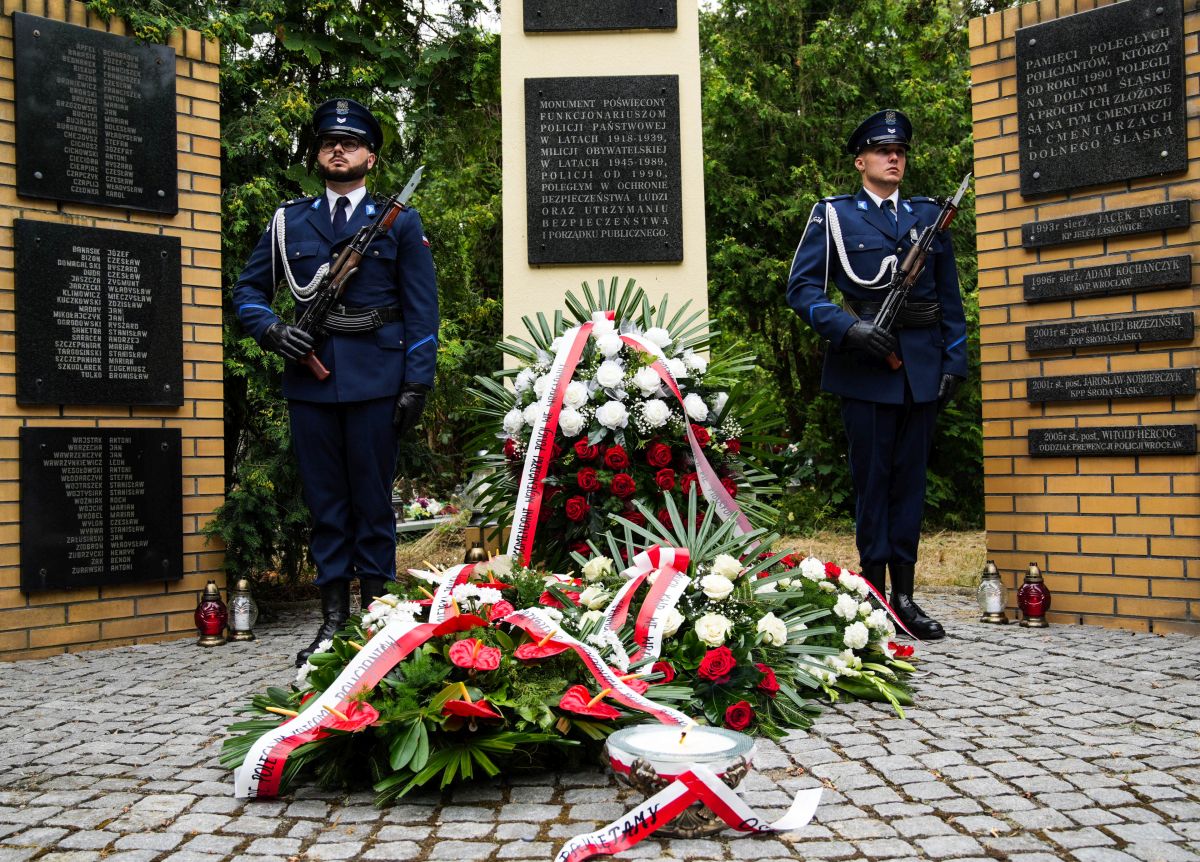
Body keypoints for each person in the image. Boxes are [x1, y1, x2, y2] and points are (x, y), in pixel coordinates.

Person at [232, 98, 438, 666]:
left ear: (371, 157)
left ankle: (377, 620)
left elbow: (422, 310)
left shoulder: (398, 222)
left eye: (351, 142)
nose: (339, 149)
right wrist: (273, 330)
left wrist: (417, 382)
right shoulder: (289, 222)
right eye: (329, 142)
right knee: (326, 505)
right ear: (317, 155)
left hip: (378, 381)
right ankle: (331, 624)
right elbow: (247, 291)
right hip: (312, 383)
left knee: (372, 504)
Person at [785, 109, 966, 640]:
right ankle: (874, 594)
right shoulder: (835, 216)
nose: (894, 157)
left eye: (900, 151)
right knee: (873, 483)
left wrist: (955, 361)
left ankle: (905, 596)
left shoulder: (928, 215)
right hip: (864, 367)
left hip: (921, 367)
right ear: (860, 161)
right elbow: (802, 289)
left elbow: (950, 298)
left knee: (910, 483)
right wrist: (849, 330)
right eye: (883, 150)